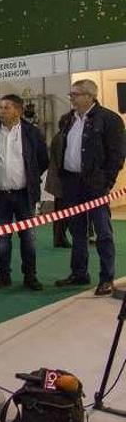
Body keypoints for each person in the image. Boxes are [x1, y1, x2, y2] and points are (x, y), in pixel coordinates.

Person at [54, 79, 126, 296]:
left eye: (75, 94)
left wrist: (106, 182)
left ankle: (106, 278)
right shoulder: (68, 120)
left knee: (103, 232)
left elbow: (117, 154)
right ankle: (79, 273)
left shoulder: (110, 120)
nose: (72, 98)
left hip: (95, 185)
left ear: (89, 96)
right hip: (71, 183)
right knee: (77, 231)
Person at [0, 95, 48, 291]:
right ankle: (3, 275)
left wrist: (31, 180)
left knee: (28, 238)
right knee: (2, 239)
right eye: (1, 107)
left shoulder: (33, 133)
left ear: (18, 110)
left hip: (24, 194)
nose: (2, 111)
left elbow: (43, 160)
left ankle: (30, 275)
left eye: (7, 107)